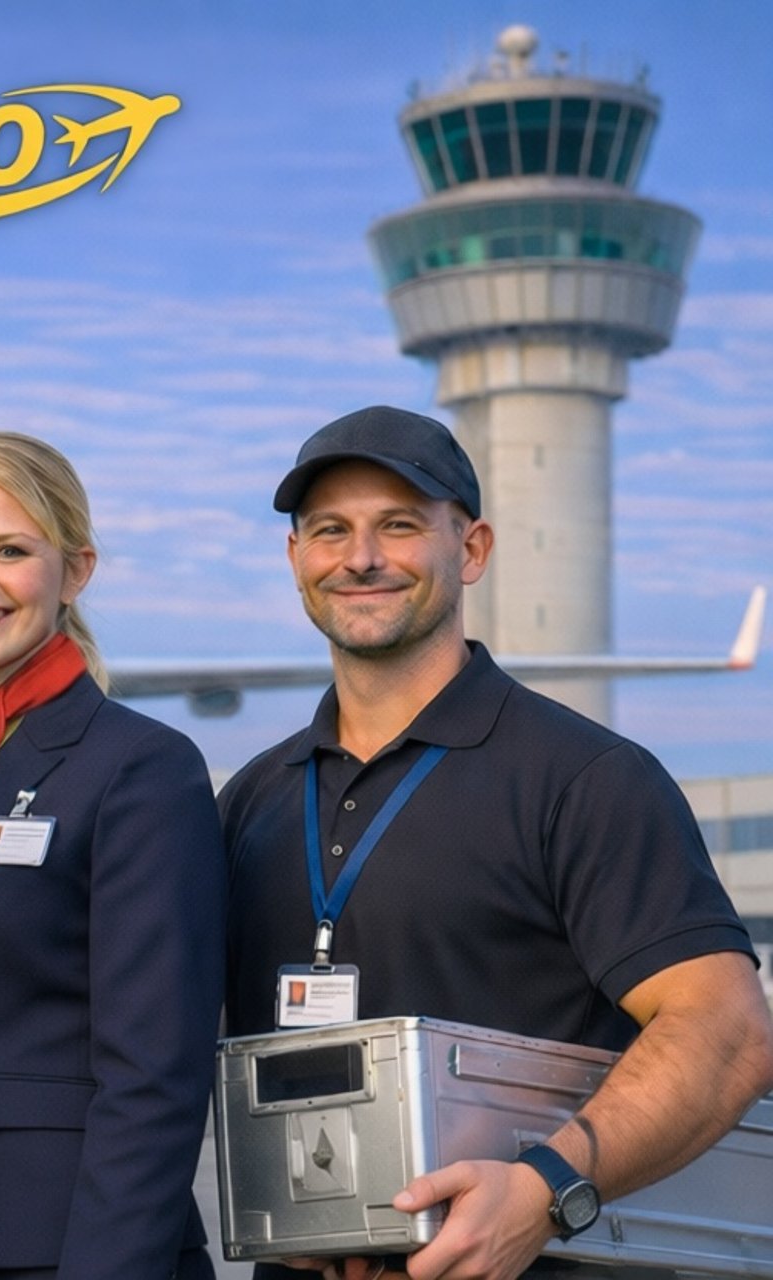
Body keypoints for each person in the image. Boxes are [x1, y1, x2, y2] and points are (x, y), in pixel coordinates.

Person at [220, 405, 773, 1280]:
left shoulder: (585, 778)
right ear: (297, 561)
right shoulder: (252, 799)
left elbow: (728, 1032)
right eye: (331, 531)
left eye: (399, 527)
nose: (361, 557)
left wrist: (544, 1188)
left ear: (471, 550)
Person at [0, 431, 227, 1280]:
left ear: (78, 569)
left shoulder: (139, 768)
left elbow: (154, 1075)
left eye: (11, 551)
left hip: (53, 1243)